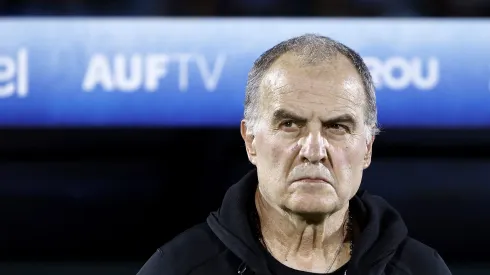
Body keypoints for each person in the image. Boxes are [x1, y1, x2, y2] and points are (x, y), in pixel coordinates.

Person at [136, 34, 452, 275]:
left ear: (367, 147)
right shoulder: (178, 268)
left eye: (337, 127)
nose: (313, 151)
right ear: (251, 141)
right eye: (289, 125)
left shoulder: (421, 268)